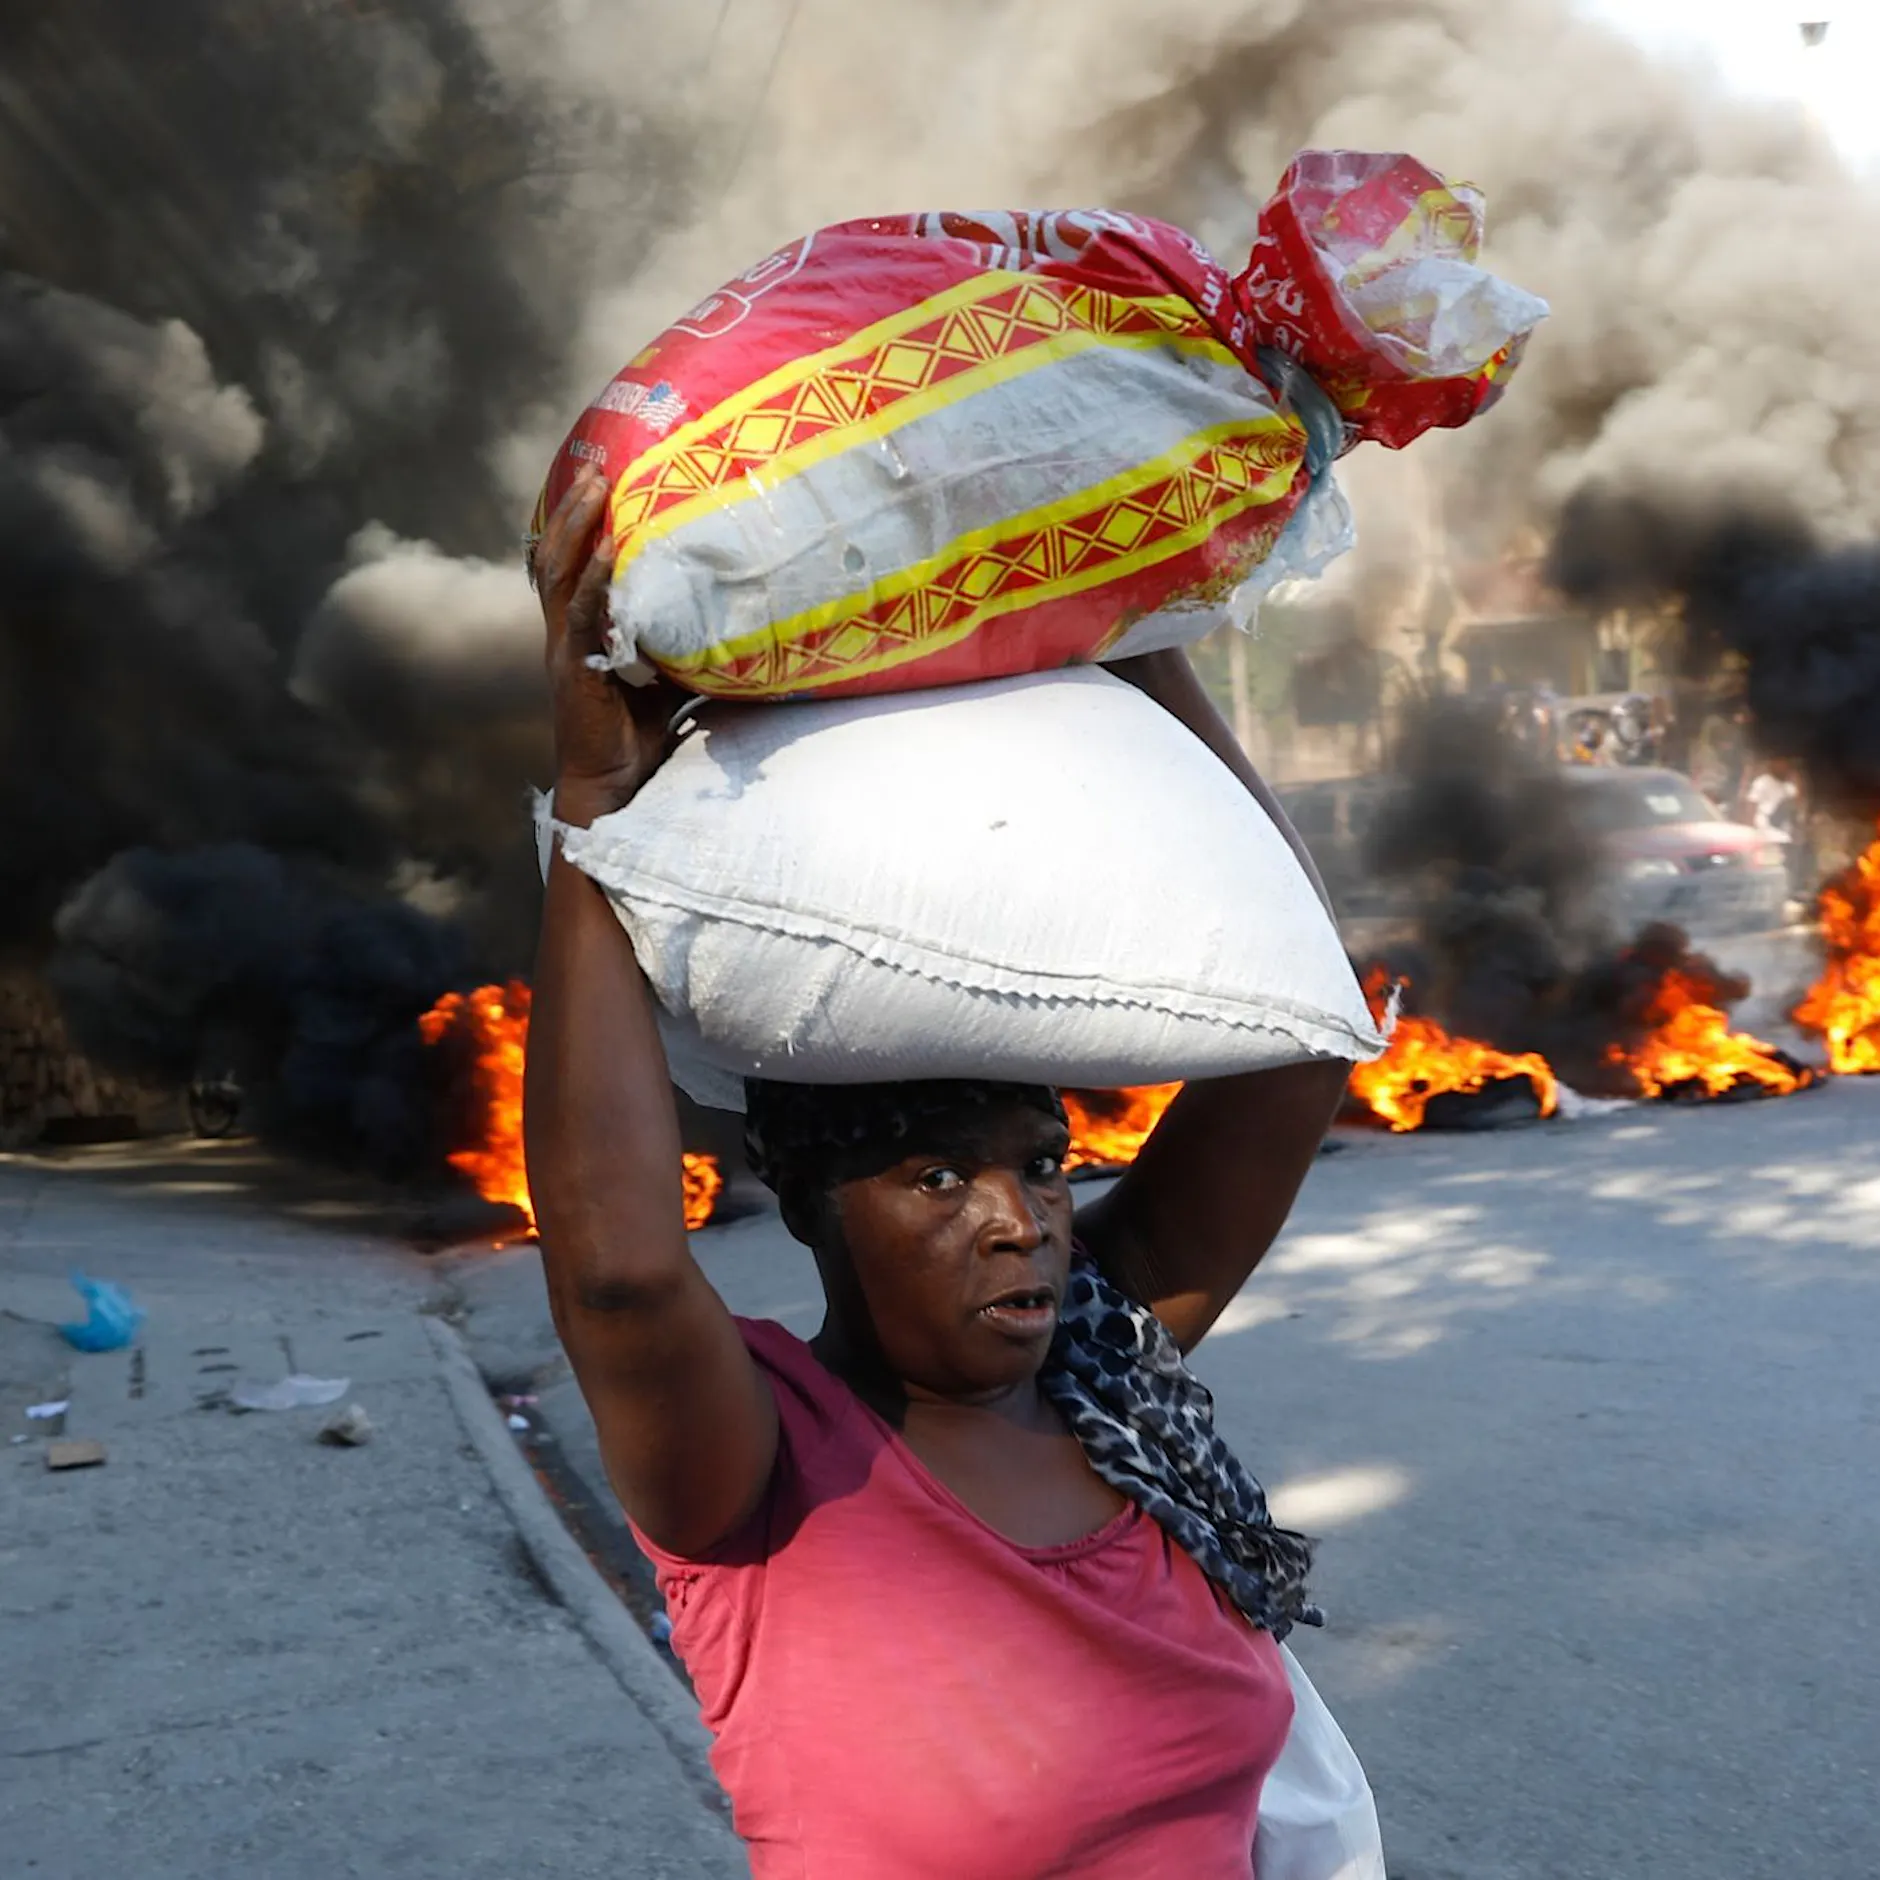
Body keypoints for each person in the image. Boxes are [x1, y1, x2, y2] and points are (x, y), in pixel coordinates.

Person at [523, 470, 1354, 1879]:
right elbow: (616, 1269)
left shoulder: (1102, 1366)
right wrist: (602, 805)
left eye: (1039, 1164)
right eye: (937, 1181)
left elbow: (1297, 1028)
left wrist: (1138, 640)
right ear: (809, 1205)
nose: (1020, 1220)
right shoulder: (760, 1466)